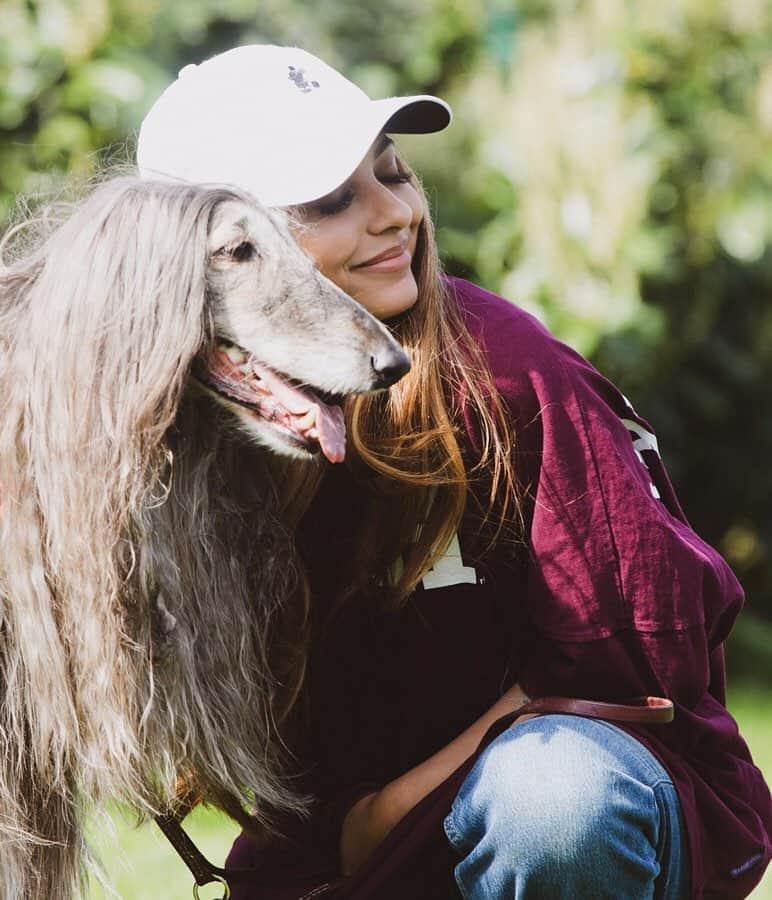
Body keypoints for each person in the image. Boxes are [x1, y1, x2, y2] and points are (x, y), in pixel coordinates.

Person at [137, 45, 772, 898]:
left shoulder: (505, 372)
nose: (394, 213)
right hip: (332, 848)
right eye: (330, 199)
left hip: (556, 801)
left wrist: (391, 810)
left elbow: (632, 678)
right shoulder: (179, 422)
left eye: (393, 174)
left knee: (555, 797)